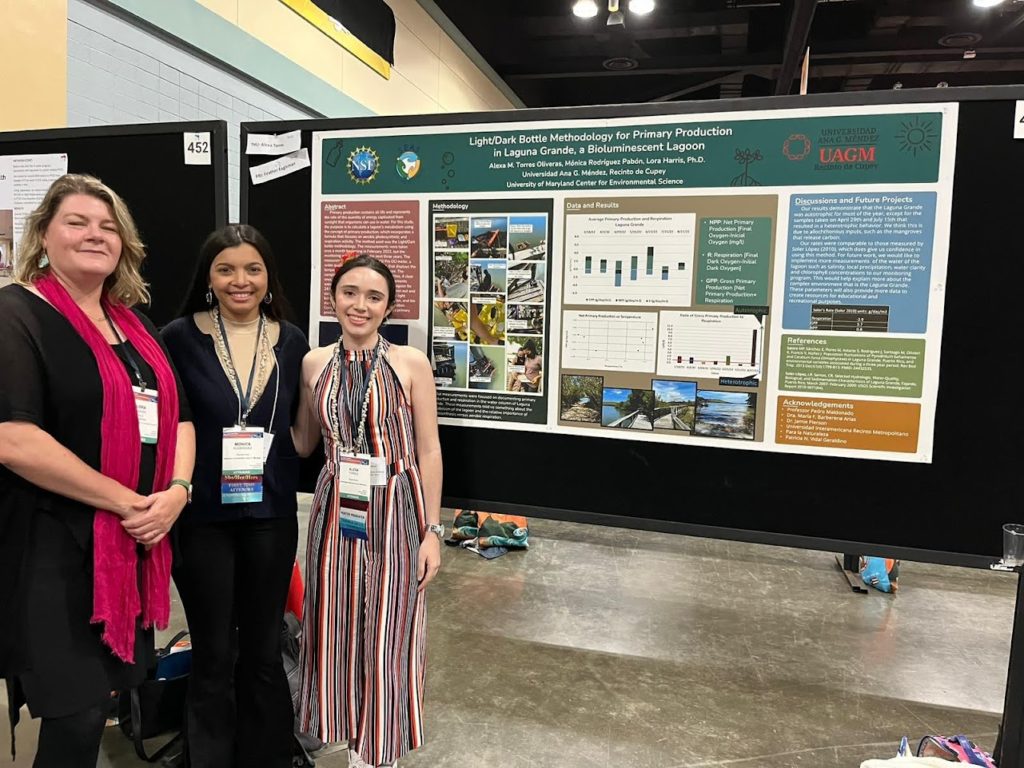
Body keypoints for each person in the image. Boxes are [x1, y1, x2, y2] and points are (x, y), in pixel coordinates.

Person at [0, 174, 195, 767]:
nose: (94, 235)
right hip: (53, 549)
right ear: (44, 236)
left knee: (101, 701)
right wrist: (126, 500)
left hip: (129, 543)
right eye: (77, 222)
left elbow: (179, 420)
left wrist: (177, 493)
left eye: (108, 227)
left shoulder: (135, 325)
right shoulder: (17, 315)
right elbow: (13, 438)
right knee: (76, 714)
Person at [161, 224, 312, 768]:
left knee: (264, 650)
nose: (239, 280)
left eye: (253, 269)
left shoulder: (293, 341)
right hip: (201, 517)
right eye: (225, 269)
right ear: (208, 278)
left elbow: (303, 431)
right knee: (214, 651)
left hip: (271, 515)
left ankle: (266, 755)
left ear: (269, 278)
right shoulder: (177, 337)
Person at [293, 254, 442, 768]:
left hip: (398, 503)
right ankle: (346, 732)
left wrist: (433, 531)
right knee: (333, 622)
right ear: (332, 298)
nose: (360, 305)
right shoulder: (314, 363)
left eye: (374, 296)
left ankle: (377, 753)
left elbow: (428, 450)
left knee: (389, 625)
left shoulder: (410, 363)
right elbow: (304, 440)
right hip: (335, 506)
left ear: (388, 307)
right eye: (350, 292)